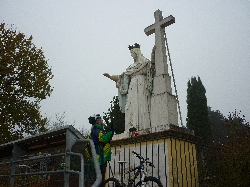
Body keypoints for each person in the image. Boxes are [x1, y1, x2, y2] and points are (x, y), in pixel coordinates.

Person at [88, 114, 114, 182]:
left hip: (99, 159)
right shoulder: (97, 131)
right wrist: (111, 131)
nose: (102, 121)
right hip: (99, 159)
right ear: (98, 121)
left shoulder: (96, 130)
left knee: (99, 180)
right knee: (99, 180)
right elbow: (104, 139)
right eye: (101, 120)